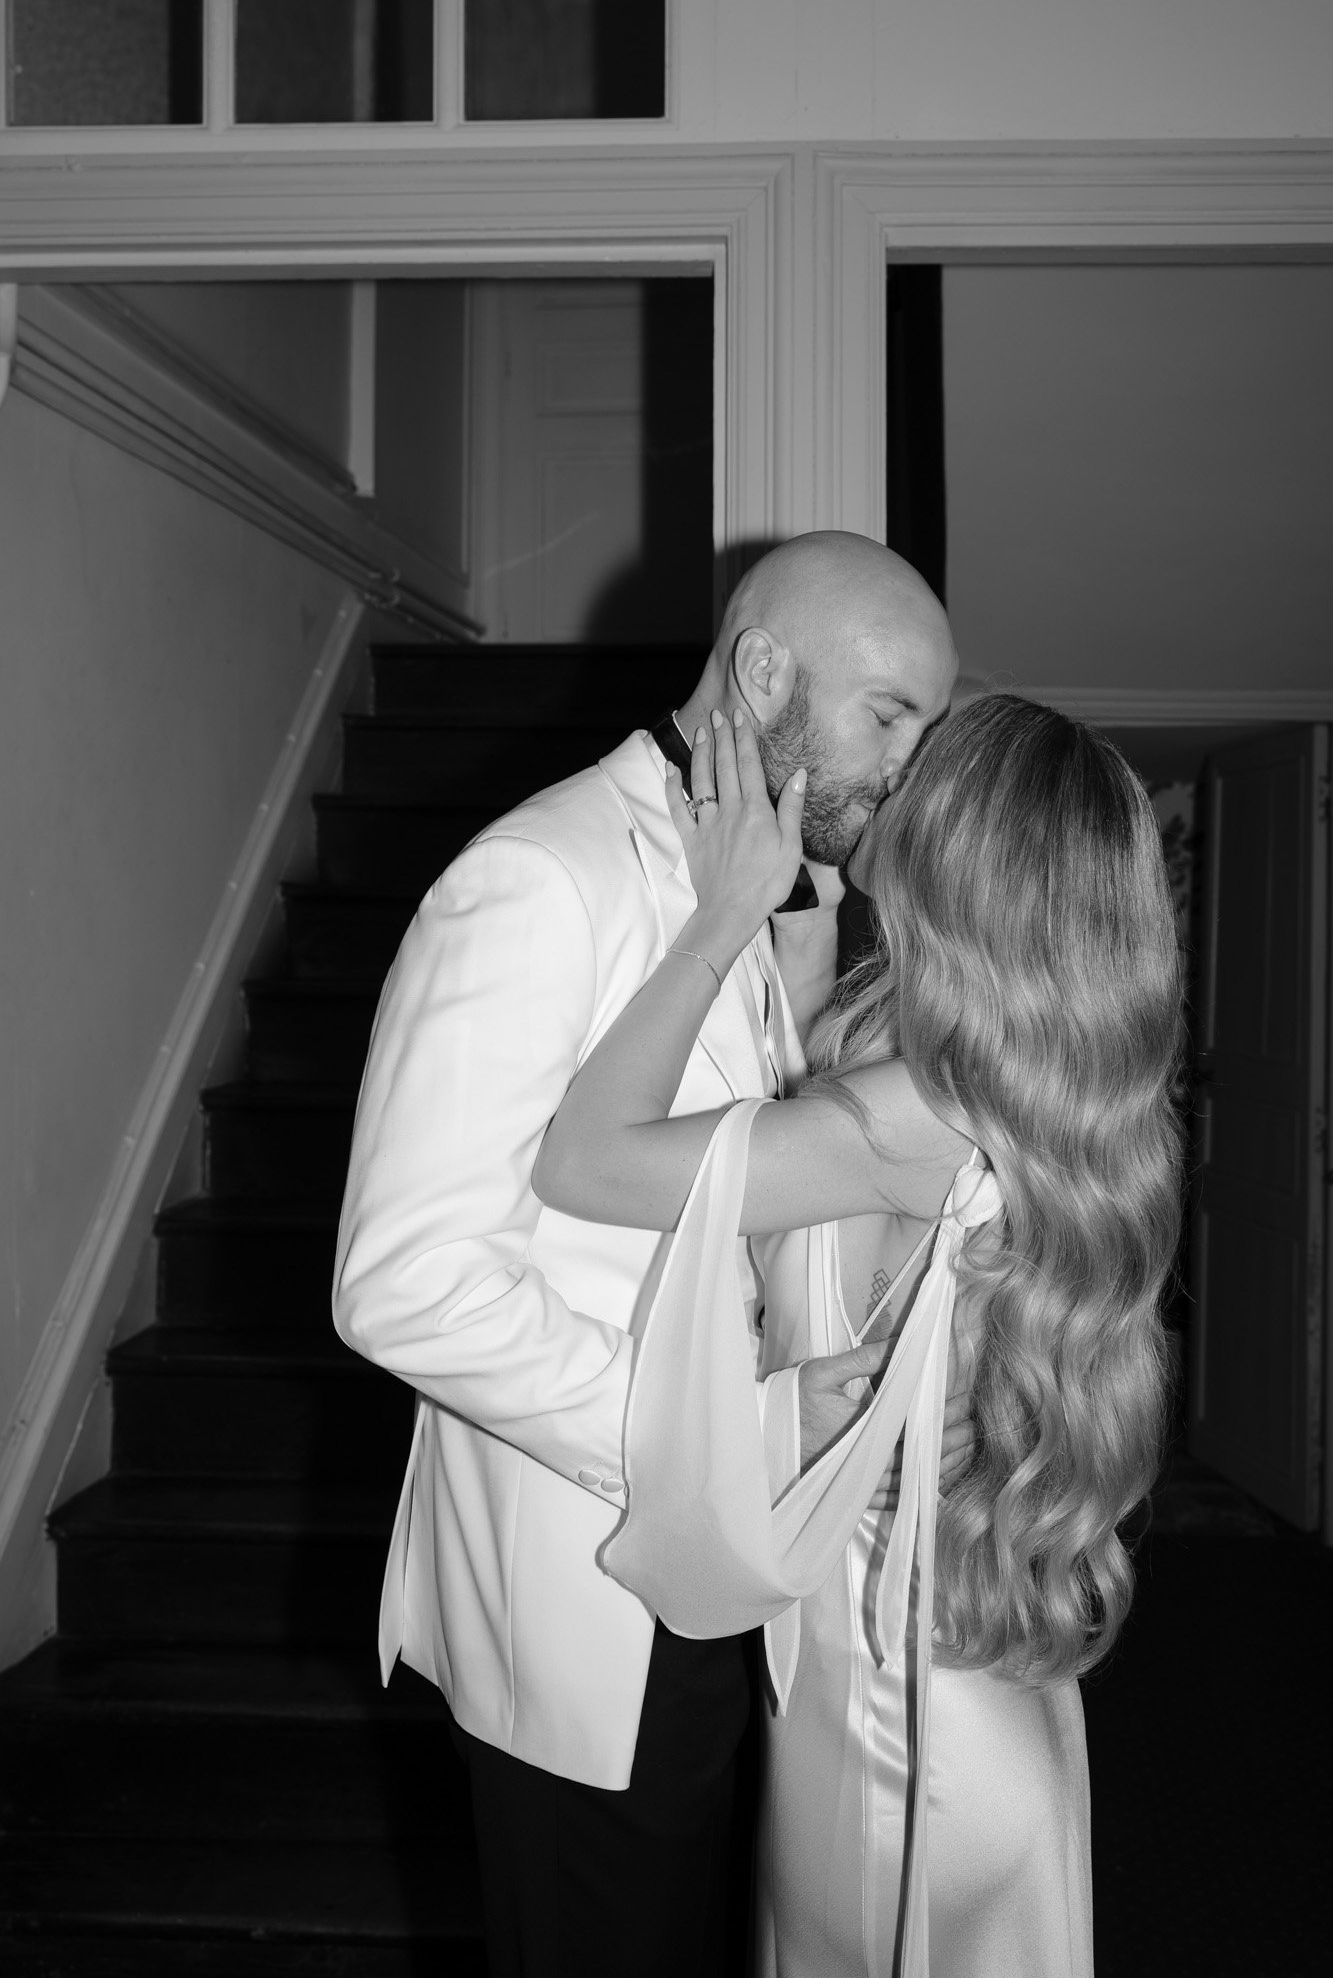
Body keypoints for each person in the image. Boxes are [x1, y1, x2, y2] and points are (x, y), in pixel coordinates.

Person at [331, 532, 968, 1977]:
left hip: (718, 1574)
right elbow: (403, 1282)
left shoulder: (752, 878)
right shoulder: (538, 876)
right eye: (890, 715)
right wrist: (721, 1433)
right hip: (587, 1596)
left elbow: (730, 1193)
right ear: (763, 672)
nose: (910, 767)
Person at [533, 697, 1184, 1976]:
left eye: (916, 769)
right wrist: (809, 924)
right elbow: (822, 1144)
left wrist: (718, 920)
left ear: (956, 857)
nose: (888, 777)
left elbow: (585, 1159)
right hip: (972, 1698)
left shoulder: (902, 1117)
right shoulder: (1035, 1093)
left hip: (900, 1738)